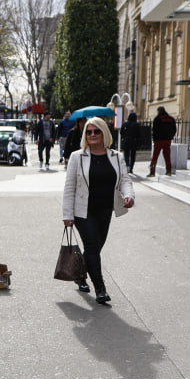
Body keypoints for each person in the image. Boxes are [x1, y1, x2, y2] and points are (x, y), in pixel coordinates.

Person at [62, 117, 134, 305]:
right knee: (93, 246)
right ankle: (100, 289)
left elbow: (125, 180)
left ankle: (79, 275)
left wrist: (129, 196)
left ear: (104, 133)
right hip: (82, 212)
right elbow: (69, 188)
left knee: (94, 249)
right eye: (88, 132)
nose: (92, 135)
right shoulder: (77, 157)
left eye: (96, 131)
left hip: (105, 210)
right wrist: (67, 215)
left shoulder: (116, 157)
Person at [149, 106, 177, 176]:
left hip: (158, 140)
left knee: (155, 157)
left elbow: (154, 130)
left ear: (158, 111)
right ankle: (168, 171)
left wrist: (154, 139)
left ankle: (152, 172)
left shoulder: (157, 119)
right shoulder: (171, 119)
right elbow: (174, 129)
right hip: (167, 140)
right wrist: (171, 136)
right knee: (167, 156)